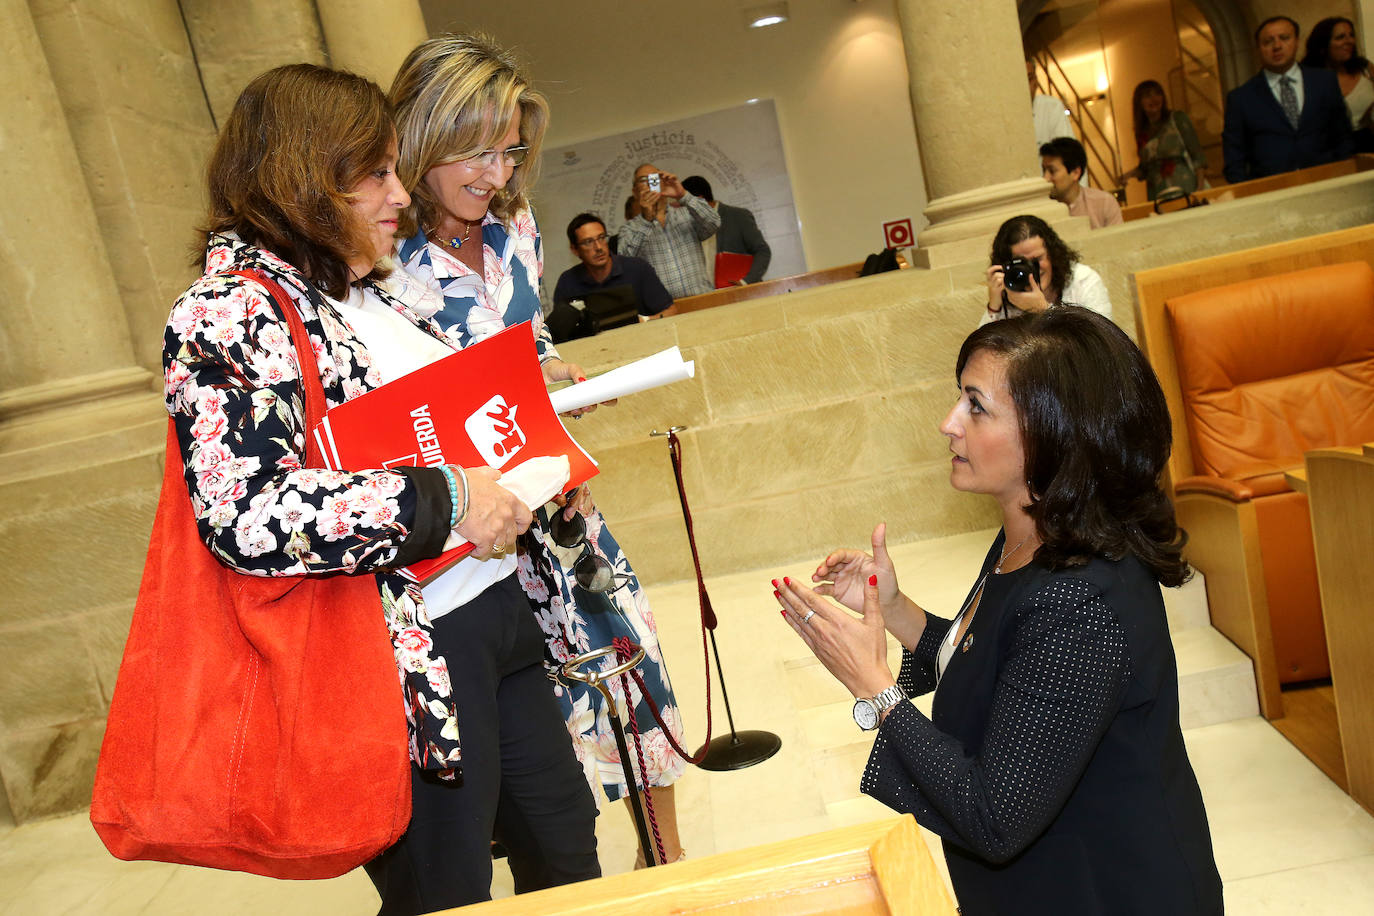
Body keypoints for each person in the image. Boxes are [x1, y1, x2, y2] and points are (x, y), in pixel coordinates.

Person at [164, 64, 599, 914]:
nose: (400, 195)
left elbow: (430, 422)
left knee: (564, 847)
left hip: (495, 606)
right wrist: (446, 500)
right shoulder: (227, 310)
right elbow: (243, 514)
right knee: (445, 887)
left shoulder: (362, 284)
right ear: (304, 177)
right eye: (377, 174)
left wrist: (537, 451)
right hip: (404, 653)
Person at [771, 307, 1224, 914]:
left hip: (1110, 890)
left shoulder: (1081, 597)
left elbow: (993, 816)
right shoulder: (1029, 535)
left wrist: (874, 687)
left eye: (975, 406)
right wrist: (895, 608)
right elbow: (997, 665)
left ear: (1053, 434)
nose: (948, 424)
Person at [389, 34, 689, 867]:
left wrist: (554, 367)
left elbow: (528, 339)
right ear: (420, 138)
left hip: (561, 512)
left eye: (511, 151)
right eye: (474, 151)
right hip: (471, 545)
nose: (497, 174)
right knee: (534, 758)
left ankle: (665, 871)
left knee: (634, 677)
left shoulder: (517, 228)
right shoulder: (383, 263)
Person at [1222, 15, 1354, 183]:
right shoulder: (1240, 98)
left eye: (1284, 38)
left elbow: (1342, 135)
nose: (1277, 46)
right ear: (1258, 49)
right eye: (1268, 42)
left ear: (1297, 41)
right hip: (1272, 193)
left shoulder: (1324, 82)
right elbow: (1234, 159)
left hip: (1327, 183)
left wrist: (1344, 175)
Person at [617, 162, 721, 299]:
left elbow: (714, 222)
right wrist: (646, 221)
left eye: (654, 178)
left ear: (663, 183)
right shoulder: (629, 229)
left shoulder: (686, 214)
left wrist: (683, 195)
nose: (649, 183)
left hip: (702, 300)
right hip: (663, 311)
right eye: (643, 180)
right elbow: (626, 263)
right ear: (635, 192)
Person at [981, 214, 1110, 324]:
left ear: (1052, 254)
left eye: (1037, 259)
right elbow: (981, 351)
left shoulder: (1083, 281)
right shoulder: (1009, 293)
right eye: (1022, 263)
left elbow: (1103, 341)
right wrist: (994, 308)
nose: (1033, 269)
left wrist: (1042, 309)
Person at [553, 213, 676, 321]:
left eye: (601, 238)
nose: (598, 247)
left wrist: (644, 321)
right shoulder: (567, 282)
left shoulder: (637, 268)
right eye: (588, 242)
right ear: (575, 250)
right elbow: (560, 332)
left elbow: (671, 312)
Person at [1124, 80, 1209, 199]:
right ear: (1139, 102)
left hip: (1184, 185)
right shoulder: (1142, 131)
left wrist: (1200, 190)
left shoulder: (1177, 119)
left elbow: (1197, 155)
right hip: (1157, 192)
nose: (1154, 99)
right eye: (1148, 96)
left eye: (1158, 94)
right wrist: (1128, 175)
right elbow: (1145, 167)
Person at [1301, 16, 1374, 152]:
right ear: (1323, 45)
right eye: (1340, 37)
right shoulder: (1309, 78)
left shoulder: (1365, 69)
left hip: (1367, 143)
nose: (1349, 41)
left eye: (1351, 35)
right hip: (1329, 149)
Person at [680, 175, 772, 284]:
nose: (682, 209)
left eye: (684, 205)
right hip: (705, 295)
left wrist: (745, 282)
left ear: (699, 200)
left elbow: (762, 251)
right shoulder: (686, 224)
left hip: (740, 293)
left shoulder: (738, 216)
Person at [1039, 137, 1122, 228]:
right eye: (1044, 170)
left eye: (1052, 171)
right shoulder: (1041, 210)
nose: (1045, 178)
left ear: (1075, 173)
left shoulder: (1104, 203)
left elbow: (1118, 241)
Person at [1028, 60, 1076, 163]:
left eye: (1029, 79)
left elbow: (1069, 155)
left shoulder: (1052, 107)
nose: (1026, 87)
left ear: (1036, 82)